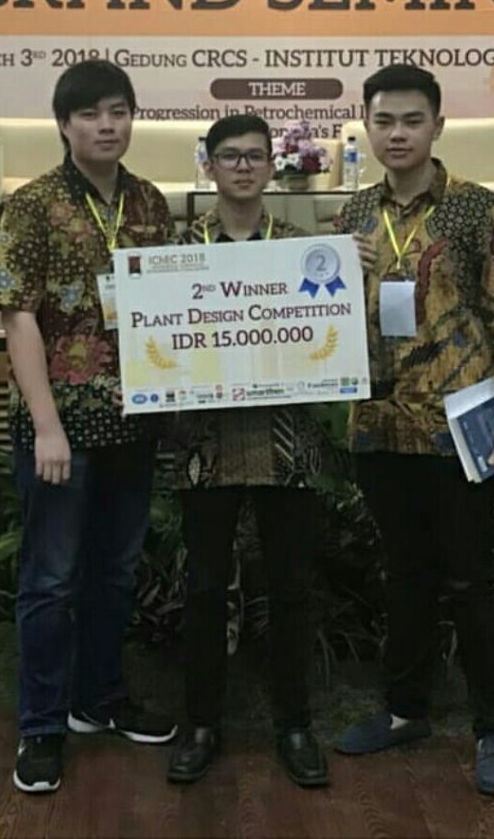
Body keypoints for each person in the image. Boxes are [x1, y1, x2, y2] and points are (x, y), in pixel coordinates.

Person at [332, 64, 494, 797]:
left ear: (438, 126)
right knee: (404, 574)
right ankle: (404, 711)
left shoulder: (477, 211)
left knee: (469, 579)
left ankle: (492, 729)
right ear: (367, 126)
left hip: (461, 429)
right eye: (384, 121)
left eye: (412, 121)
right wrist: (342, 269)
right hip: (380, 427)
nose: (397, 134)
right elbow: (330, 317)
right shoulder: (354, 215)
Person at [0, 60, 178, 795]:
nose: (107, 125)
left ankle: (100, 699)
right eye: (91, 113)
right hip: (60, 426)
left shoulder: (149, 203)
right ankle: (41, 727)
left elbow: (171, 303)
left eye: (119, 111)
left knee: (115, 572)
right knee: (51, 579)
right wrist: (46, 426)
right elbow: (17, 317)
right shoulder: (30, 206)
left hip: (133, 420)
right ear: (64, 124)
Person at [165, 114, 330, 789]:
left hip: (285, 443)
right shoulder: (177, 253)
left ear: (271, 166)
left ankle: (294, 724)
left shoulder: (303, 251)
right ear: (208, 166)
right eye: (229, 156)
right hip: (204, 447)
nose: (242, 167)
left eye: (255, 156)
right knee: (205, 589)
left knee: (290, 588)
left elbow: (327, 337)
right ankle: (201, 723)